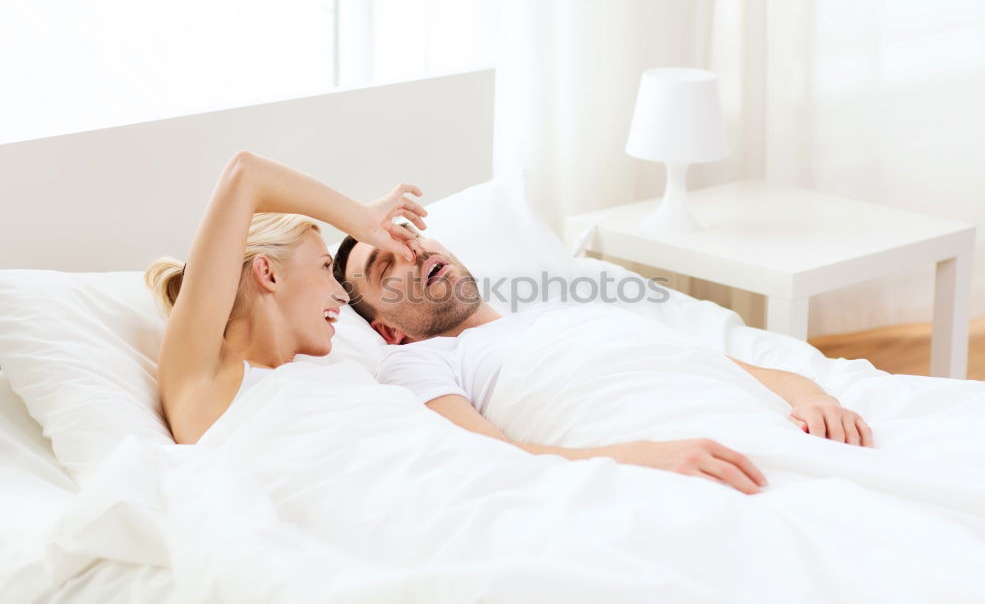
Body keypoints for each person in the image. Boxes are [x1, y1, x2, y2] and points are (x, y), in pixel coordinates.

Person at [332, 223, 874, 496]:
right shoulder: (420, 364)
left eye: (411, 239)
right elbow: (493, 455)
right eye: (386, 267)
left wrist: (814, 396)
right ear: (387, 330)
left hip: (755, 424)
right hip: (669, 456)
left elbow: (732, 368)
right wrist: (643, 457)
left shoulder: (569, 310)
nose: (413, 253)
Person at [145, 151, 427, 444]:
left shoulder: (344, 374)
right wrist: (360, 219)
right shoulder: (205, 386)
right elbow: (246, 174)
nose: (343, 296)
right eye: (325, 266)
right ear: (268, 273)